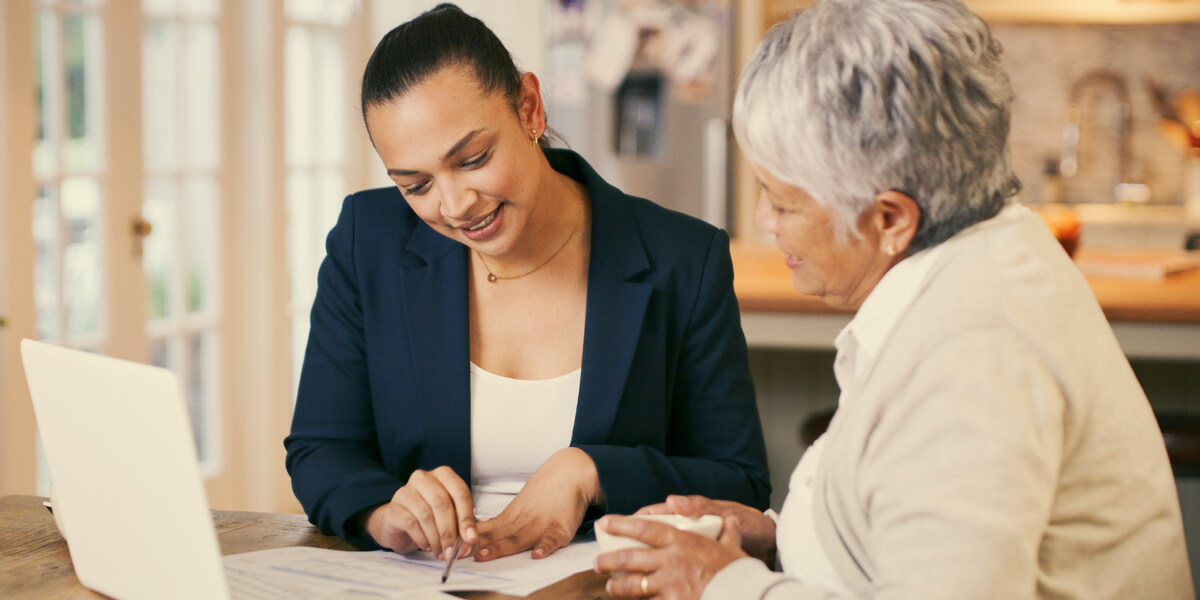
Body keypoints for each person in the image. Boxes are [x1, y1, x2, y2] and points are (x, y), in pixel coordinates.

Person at [593, 0, 1194, 598]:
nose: (762, 220)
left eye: (783, 201)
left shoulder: (971, 358)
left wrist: (724, 584)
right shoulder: (983, 254)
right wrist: (779, 538)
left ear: (890, 219)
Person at [283, 3, 770, 564]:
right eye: (415, 186)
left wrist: (590, 471)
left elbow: (741, 484)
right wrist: (384, 513)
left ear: (530, 107)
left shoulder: (683, 258)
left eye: (473, 158)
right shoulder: (365, 241)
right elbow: (321, 449)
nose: (455, 205)